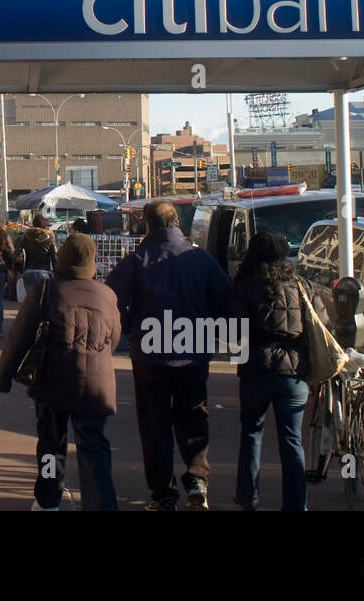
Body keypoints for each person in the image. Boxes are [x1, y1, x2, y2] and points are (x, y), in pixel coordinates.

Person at [105, 199, 230, 511]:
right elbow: (224, 300)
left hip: (151, 352)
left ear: (147, 225)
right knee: (194, 414)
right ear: (177, 223)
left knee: (154, 422)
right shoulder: (200, 259)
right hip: (193, 348)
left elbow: (112, 300)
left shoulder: (136, 260)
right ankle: (198, 480)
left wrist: (131, 326)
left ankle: (163, 493)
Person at [0, 234, 120, 511]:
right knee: (95, 447)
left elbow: (20, 336)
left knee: (51, 445)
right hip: (97, 386)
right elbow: (114, 339)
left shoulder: (46, 290)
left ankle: (49, 499)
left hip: (54, 382)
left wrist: (3, 377)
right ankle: (103, 504)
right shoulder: (107, 295)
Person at [229, 231, 327, 511]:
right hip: (293, 372)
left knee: (251, 434)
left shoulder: (244, 287)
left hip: (256, 371)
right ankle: (296, 505)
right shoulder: (302, 286)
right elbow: (322, 324)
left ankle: (248, 498)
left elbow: (234, 332)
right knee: (292, 441)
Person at [18, 214, 57, 295]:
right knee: (44, 303)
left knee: (31, 301)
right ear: (45, 226)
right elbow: (54, 258)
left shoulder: (26, 237)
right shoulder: (50, 238)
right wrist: (57, 274)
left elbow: (17, 253)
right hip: (44, 273)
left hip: (28, 272)